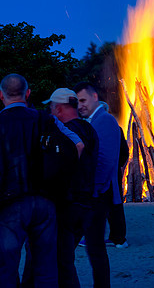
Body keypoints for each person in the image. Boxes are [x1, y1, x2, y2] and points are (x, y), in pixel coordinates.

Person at [0, 74, 83, 287]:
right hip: (45, 201)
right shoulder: (45, 119)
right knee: (45, 269)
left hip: (9, 204)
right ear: (28, 94)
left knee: (6, 268)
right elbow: (77, 144)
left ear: (1, 95)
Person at [42, 87, 102, 287]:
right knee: (64, 259)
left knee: (62, 261)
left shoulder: (67, 133)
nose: (50, 111)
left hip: (70, 203)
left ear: (58, 108)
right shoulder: (89, 129)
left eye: (51, 107)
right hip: (86, 204)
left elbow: (60, 168)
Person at [73, 82, 121, 288]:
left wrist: (93, 191)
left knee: (95, 248)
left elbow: (105, 160)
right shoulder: (94, 120)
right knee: (94, 247)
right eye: (77, 102)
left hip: (97, 195)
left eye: (83, 100)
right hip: (94, 194)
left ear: (95, 97)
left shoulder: (106, 120)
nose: (80, 105)